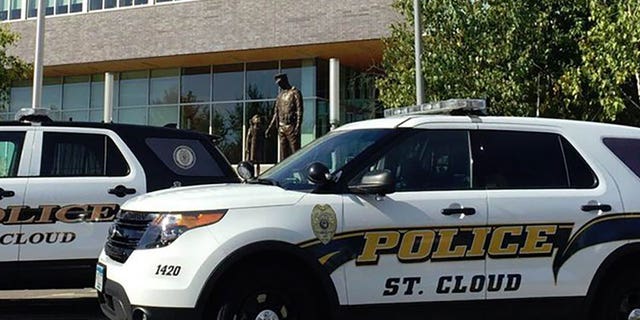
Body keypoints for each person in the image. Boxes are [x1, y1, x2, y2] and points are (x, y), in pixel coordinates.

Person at [265, 73, 303, 161]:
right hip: (281, 127)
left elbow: (299, 111)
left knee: (295, 152)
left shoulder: (295, 92)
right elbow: (276, 113)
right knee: (283, 153)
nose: (279, 85)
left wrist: (297, 126)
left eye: (280, 83)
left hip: (291, 126)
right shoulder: (280, 96)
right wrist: (270, 128)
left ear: (285, 81)